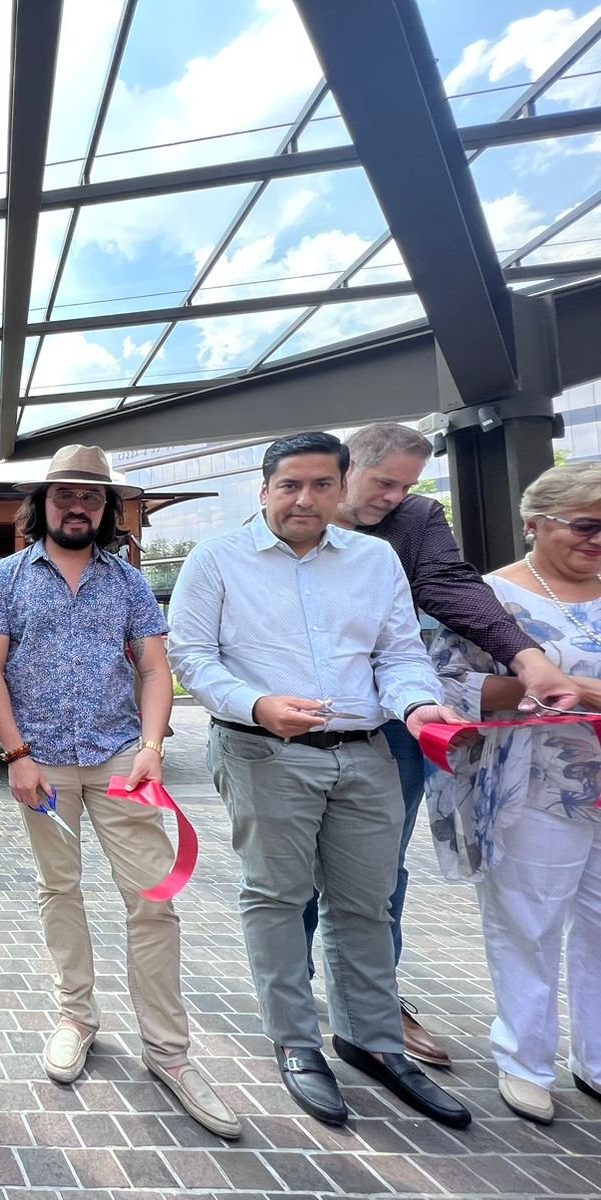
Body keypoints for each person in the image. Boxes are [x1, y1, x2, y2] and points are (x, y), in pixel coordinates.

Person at [167, 432, 472, 1129]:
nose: (304, 499)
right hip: (262, 751)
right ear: (265, 489)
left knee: (367, 902)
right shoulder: (217, 559)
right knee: (276, 896)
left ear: (341, 488)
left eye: (320, 485)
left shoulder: (375, 559)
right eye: (289, 485)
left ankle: (373, 1041)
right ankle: (296, 1041)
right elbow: (190, 653)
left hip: (367, 751)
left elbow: (399, 652)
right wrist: (257, 706)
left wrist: (419, 703)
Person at [0, 445, 240, 1139]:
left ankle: (170, 1054)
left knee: (153, 902)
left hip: (121, 759)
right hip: (44, 765)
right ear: (44, 503)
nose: (78, 505)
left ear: (107, 509)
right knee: (59, 891)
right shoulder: (6, 577)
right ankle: (76, 1016)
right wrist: (17, 754)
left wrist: (152, 747)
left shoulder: (126, 582)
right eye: (66, 494)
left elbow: (155, 670)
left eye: (92, 496)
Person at [301, 422, 581, 1068]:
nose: (395, 497)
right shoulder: (301, 511)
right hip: (294, 724)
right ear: (344, 472)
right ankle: (293, 992)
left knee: (379, 868)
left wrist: (526, 657)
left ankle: (377, 999)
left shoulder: (417, 521)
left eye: (407, 485)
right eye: (383, 483)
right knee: (291, 874)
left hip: (398, 719)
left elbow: (451, 587)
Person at [426, 462, 601, 1124]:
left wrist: (579, 688)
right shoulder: (489, 600)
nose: (597, 539)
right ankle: (525, 1060)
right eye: (585, 525)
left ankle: (597, 1057)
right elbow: (446, 685)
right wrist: (543, 688)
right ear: (536, 522)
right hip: (534, 783)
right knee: (528, 921)